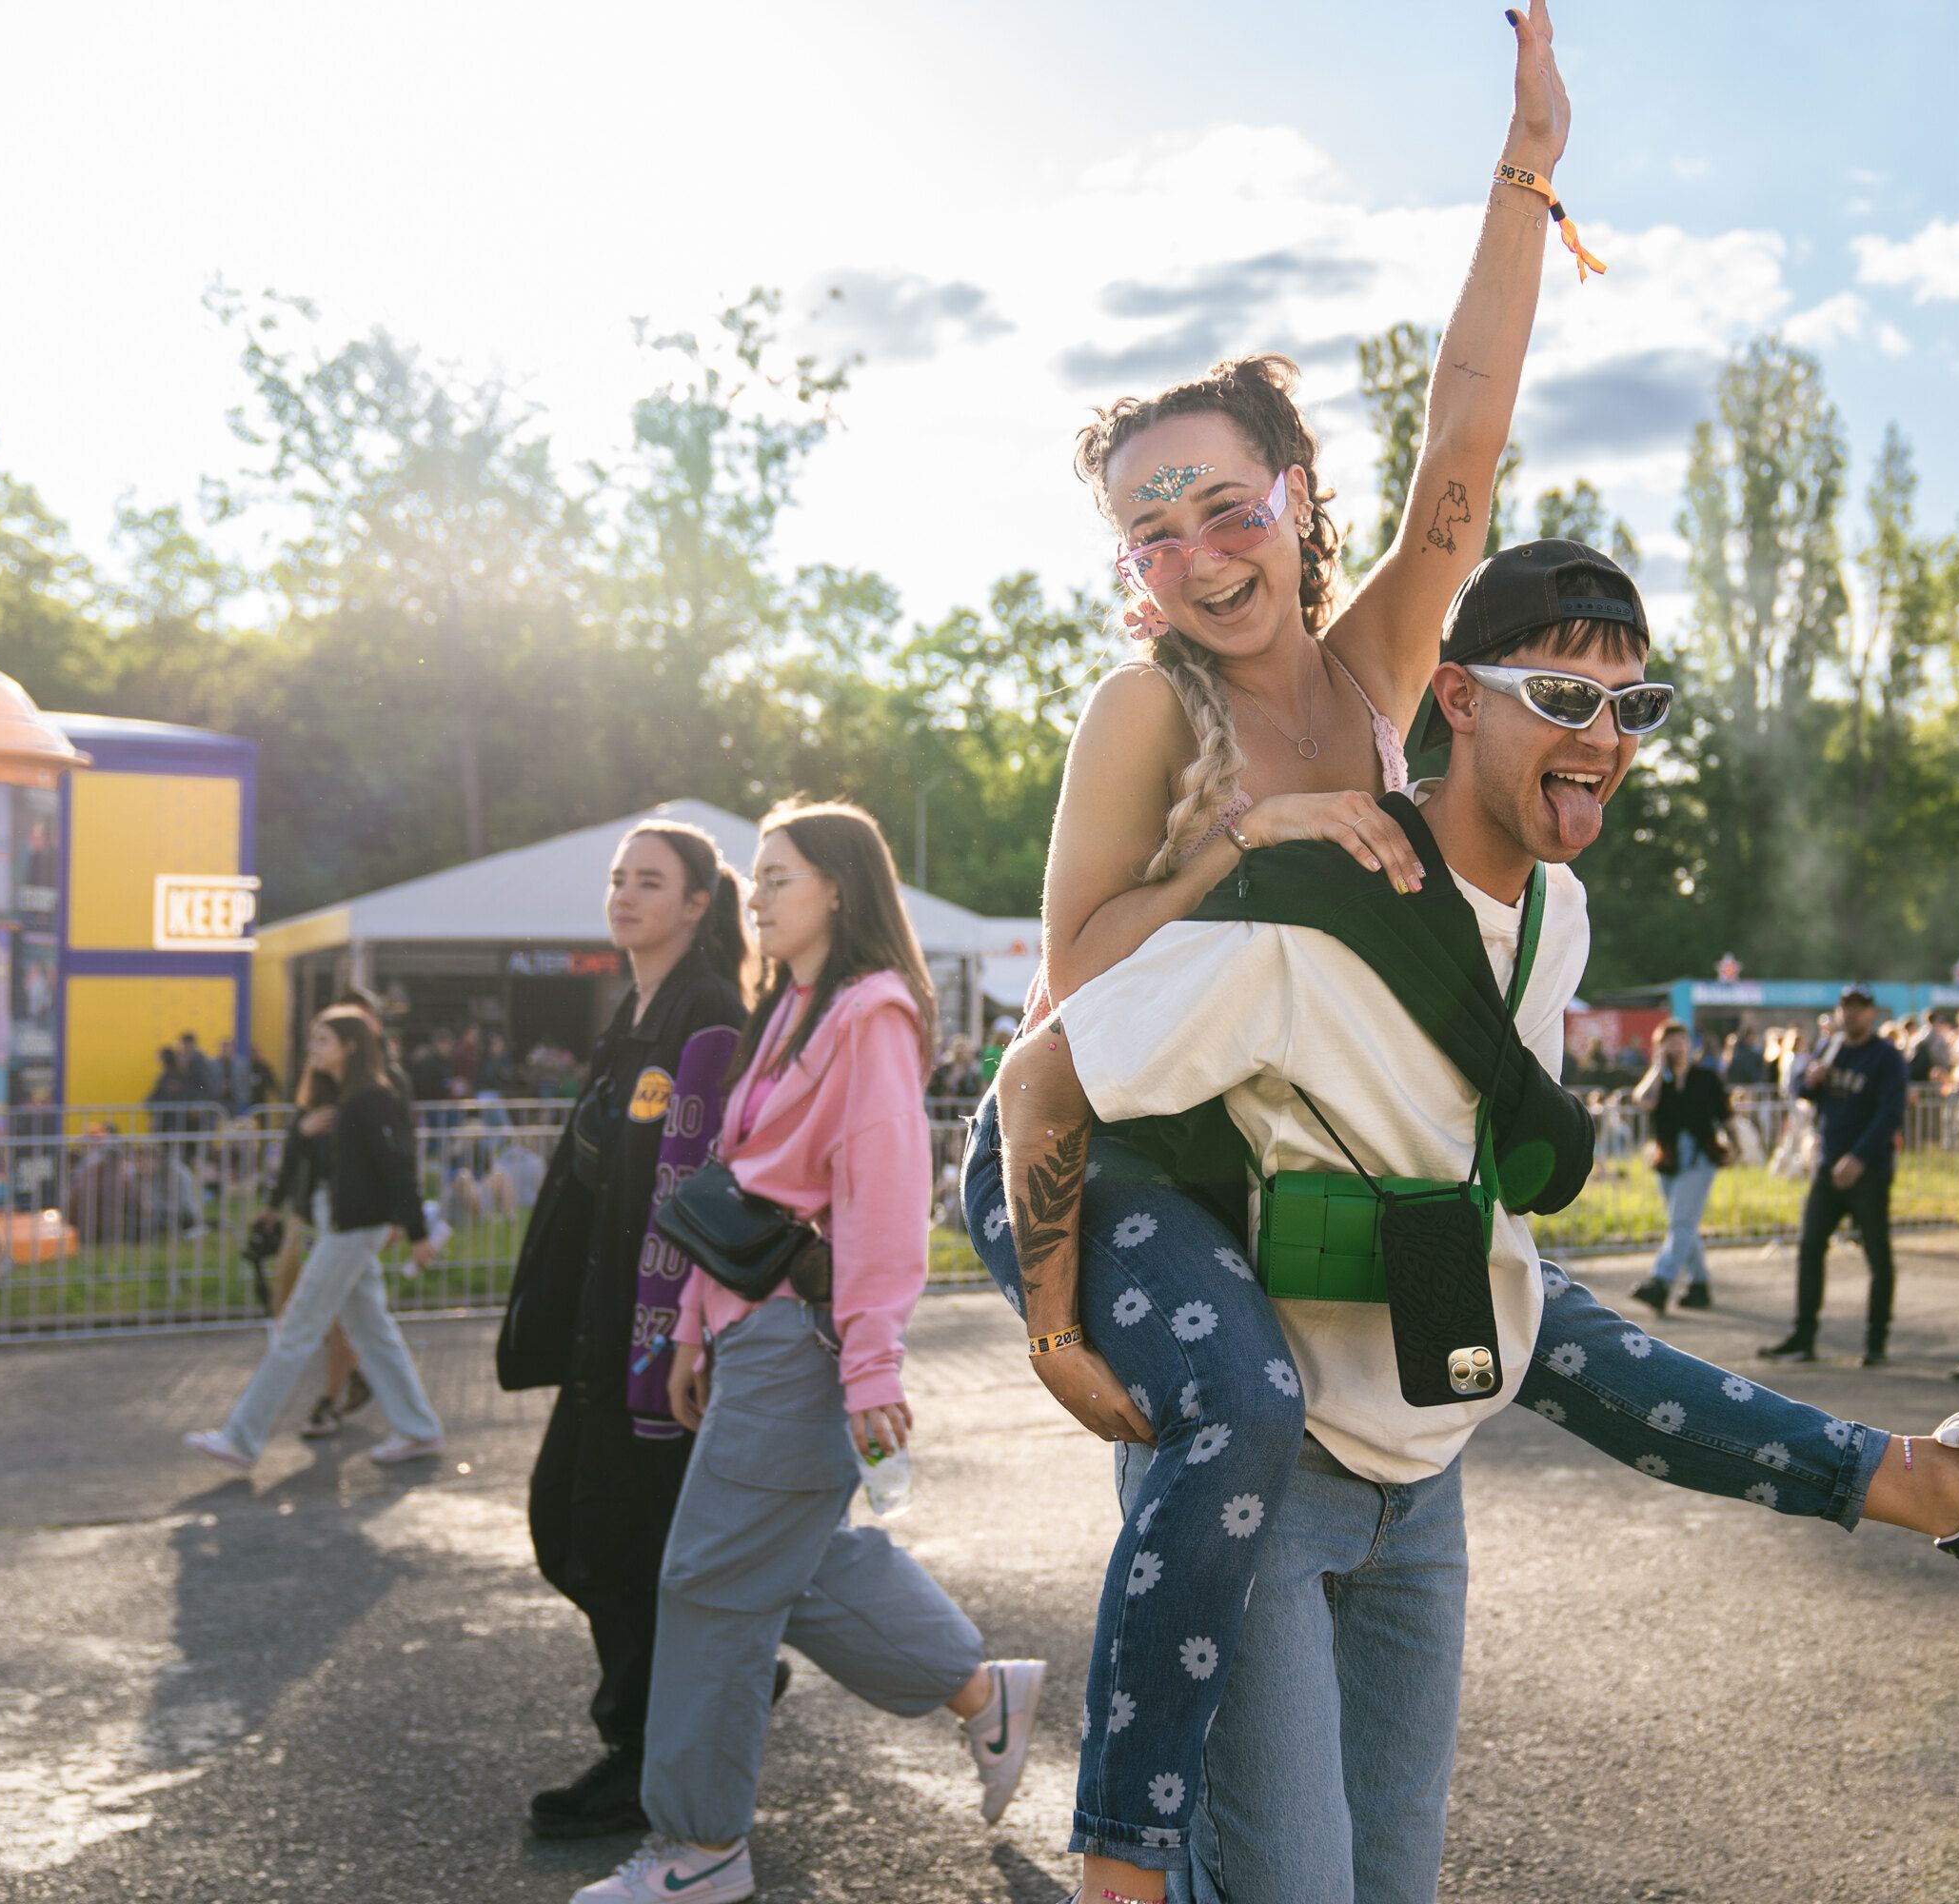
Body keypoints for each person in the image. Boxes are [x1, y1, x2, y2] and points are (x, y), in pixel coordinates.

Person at [991, 546, 1959, 1904]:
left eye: (1636, 707)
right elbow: (1042, 1073)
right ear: (1457, 695)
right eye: (1563, 696)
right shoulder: (1315, 907)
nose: (1604, 737)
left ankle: (1928, 1479)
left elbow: (1471, 1171)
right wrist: (1054, 1328)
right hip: (1275, 1484)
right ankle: (1922, 1479)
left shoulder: (1554, 918)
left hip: (1425, 1474)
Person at [952, 10, 1576, 1890]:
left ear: (1301, 501)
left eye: (1230, 500)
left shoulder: (1385, 667)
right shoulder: (1146, 714)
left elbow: (1466, 443)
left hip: (1356, 1276)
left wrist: (1529, 159)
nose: (1200, 548)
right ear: (1128, 573)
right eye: (1154, 529)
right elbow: (1070, 980)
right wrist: (1253, 830)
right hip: (1183, 1248)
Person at [573, 803, 1042, 1904]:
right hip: (752, 1330)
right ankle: (984, 1694)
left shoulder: (871, 1015)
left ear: (838, 886)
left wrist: (872, 1361)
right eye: (760, 880)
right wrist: (693, 1325)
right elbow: (738, 1186)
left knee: (707, 1583)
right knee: (799, 1562)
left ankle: (699, 1849)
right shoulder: (785, 1009)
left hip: (804, 1335)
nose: (761, 895)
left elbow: (878, 1197)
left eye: (778, 876)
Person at [500, 822, 758, 1841]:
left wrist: (691, 1339)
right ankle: (704, 1691)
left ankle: (647, 1750)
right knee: (569, 1530)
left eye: (649, 881)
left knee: (611, 1541)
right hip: (596, 1331)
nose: (625, 893)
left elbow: (712, 1186)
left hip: (655, 1342)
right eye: (618, 877)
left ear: (697, 903)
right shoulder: (634, 1013)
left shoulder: (708, 1019)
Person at [183, 1006, 445, 1470]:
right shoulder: (334, 1098)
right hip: (339, 1222)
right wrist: (294, 1153)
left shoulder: (373, 1099)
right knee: (373, 1332)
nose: (313, 1049)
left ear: (350, 1047)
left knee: (298, 1327)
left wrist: (418, 1233)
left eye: (323, 1040)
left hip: (354, 1227)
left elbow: (400, 1169)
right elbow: (306, 1158)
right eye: (313, 1039)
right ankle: (419, 1430)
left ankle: (242, 1437)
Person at [1759, 984, 1908, 1366]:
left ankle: (1876, 1341)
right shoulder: (1830, 1048)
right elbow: (1798, 1091)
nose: (1852, 1014)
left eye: (1860, 1008)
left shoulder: (1885, 1057)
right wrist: (1810, 1080)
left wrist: (1859, 1158)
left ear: (1872, 1014)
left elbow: (1890, 1113)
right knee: (1810, 1248)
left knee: (1877, 1253)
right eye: (1846, 1008)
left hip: (1869, 1169)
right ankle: (1803, 1336)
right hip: (1828, 1165)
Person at [249, 1063, 367, 1439]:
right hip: (304, 1221)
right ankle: (360, 1373)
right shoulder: (309, 1105)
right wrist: (273, 1204)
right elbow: (291, 1158)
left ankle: (331, 1398)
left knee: (332, 1313)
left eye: (324, 1041)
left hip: (340, 1225)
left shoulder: (360, 1100)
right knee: (286, 1303)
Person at [1629, 1019, 1730, 1316]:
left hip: (1700, 1156)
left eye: (1681, 1039)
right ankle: (1699, 1286)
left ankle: (1661, 1282)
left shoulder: (1706, 1076)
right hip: (1668, 1158)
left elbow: (1726, 1115)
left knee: (1681, 1223)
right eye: (1669, 1041)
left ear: (1690, 1044)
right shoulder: (1661, 1080)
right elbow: (1642, 1101)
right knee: (1683, 1223)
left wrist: (1734, 1146)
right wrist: (1658, 1069)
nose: (1677, 1045)